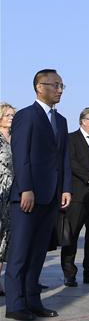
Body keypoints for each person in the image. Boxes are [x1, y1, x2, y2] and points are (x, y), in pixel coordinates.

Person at [6, 69, 72, 321]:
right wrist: (26, 189)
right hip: (28, 195)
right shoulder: (27, 116)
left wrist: (66, 187)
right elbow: (20, 155)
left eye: (62, 85)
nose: (59, 90)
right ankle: (15, 303)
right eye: (55, 85)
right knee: (20, 252)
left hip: (52, 196)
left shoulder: (61, 121)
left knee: (38, 254)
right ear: (38, 86)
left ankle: (33, 300)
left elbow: (63, 158)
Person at [61, 107, 89, 287]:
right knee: (71, 235)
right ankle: (69, 272)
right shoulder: (71, 139)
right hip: (79, 195)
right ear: (83, 121)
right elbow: (72, 163)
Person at [0, 103, 16, 296]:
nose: (11, 118)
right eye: (7, 115)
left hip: (14, 193)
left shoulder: (16, 138)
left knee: (6, 239)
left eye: (13, 115)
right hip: (0, 191)